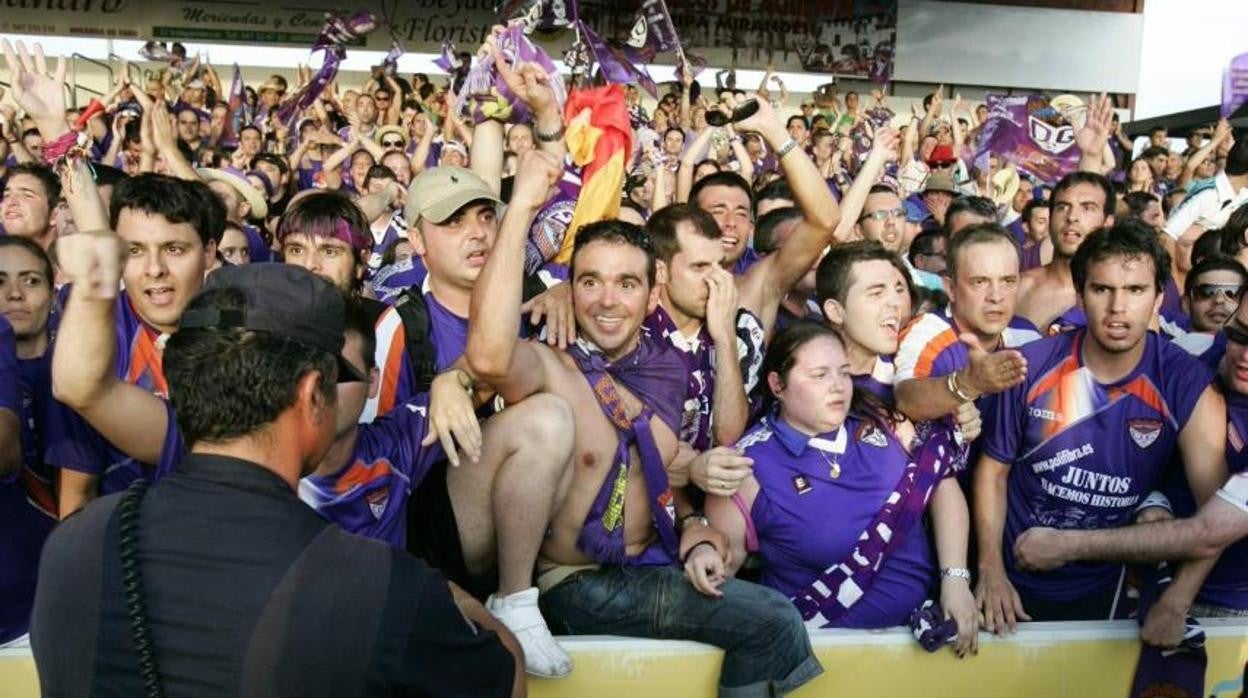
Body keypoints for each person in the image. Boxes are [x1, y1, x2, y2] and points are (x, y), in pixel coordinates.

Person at [30, 264, 524, 697]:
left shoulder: (72, 544)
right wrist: (461, 604)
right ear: (313, 395)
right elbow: (503, 676)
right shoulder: (376, 586)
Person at [465, 150, 822, 697]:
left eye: (625, 284)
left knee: (770, 618)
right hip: (572, 583)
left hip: (650, 561)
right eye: (589, 283)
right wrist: (519, 212)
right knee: (772, 621)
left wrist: (696, 535)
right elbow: (489, 358)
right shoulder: (554, 360)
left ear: (651, 292)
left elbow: (650, 473)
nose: (607, 301)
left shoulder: (667, 367)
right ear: (570, 287)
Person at [974, 220, 1227, 631]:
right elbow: (993, 472)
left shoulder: (1186, 383)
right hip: (1011, 583)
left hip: (1111, 589)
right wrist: (989, 571)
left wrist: (1178, 598)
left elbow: (1217, 515)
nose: (1118, 307)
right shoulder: (1032, 366)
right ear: (1079, 294)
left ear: (1160, 297)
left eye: (1135, 290)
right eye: (1101, 289)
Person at [704, 321, 978, 656]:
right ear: (777, 385)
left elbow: (941, 483)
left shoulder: (882, 421)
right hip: (815, 655)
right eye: (819, 375)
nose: (838, 387)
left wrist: (955, 578)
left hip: (921, 643)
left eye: (843, 372)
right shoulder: (745, 466)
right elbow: (721, 579)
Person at [1014, 292, 1248, 626]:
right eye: (1239, 334)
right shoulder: (1191, 356)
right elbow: (1125, 438)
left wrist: (1066, 545)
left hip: (1225, 605)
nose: (1244, 355)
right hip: (1140, 580)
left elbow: (1207, 532)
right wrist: (1154, 498)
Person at [48, 171, 225, 515]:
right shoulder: (97, 335)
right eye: (135, 251)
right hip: (121, 547)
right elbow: (76, 494)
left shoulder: (244, 336)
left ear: (208, 253)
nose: (154, 269)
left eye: (174, 249)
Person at [894, 224, 1037, 431]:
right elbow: (905, 399)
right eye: (980, 282)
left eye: (1007, 281)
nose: (996, 296)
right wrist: (967, 384)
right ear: (950, 288)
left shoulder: (1029, 337)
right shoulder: (925, 332)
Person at [1015, 171, 1116, 333]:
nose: (1072, 217)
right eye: (1062, 207)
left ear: (1108, 222)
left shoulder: (1122, 299)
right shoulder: (1018, 289)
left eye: (1087, 208)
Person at [1, 162, 61, 250]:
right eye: (6, 195)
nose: (10, 202)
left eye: (27, 195)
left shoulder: (76, 259)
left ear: (54, 215)